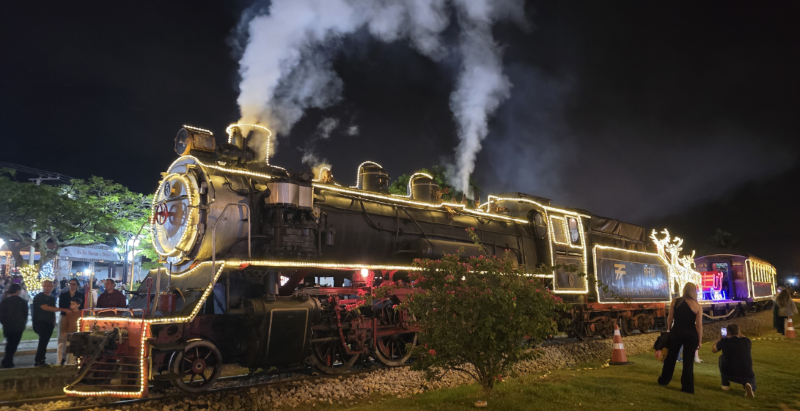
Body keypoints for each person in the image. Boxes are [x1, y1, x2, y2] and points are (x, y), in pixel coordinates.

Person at [658, 282, 704, 394]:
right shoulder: (697, 306)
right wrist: (699, 340)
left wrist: (669, 330)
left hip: (676, 332)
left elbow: (670, 318)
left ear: (684, 290)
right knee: (688, 362)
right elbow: (698, 326)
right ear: (694, 292)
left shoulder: (675, 302)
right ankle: (687, 387)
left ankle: (664, 380)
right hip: (691, 335)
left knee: (671, 358)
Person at [712, 323, 756, 397]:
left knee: (721, 358)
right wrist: (739, 333)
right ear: (739, 331)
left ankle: (725, 384)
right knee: (750, 379)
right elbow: (745, 337)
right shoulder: (747, 341)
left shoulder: (724, 341)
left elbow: (713, 349)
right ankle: (748, 385)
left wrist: (719, 339)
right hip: (746, 374)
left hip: (729, 373)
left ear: (727, 333)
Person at [32, 280, 67, 367]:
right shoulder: (39, 297)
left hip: (49, 323)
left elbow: (52, 310)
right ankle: (39, 360)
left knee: (45, 341)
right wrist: (63, 309)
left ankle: (41, 359)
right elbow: (46, 308)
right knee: (43, 341)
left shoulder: (52, 297)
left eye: (48, 286)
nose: (45, 288)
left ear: (52, 287)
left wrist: (54, 321)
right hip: (40, 322)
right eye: (44, 286)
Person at [0, 284, 28, 368]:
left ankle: (7, 360)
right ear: (17, 291)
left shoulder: (4, 301)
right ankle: (7, 361)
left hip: (8, 326)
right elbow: (25, 314)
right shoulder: (22, 301)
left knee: (10, 343)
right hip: (18, 326)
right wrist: (23, 323)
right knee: (13, 344)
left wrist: (4, 323)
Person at [57, 279, 85, 365]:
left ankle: (75, 359)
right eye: (71, 284)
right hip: (65, 316)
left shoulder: (80, 295)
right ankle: (62, 359)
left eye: (74, 284)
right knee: (64, 341)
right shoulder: (64, 295)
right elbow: (61, 305)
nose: (72, 286)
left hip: (75, 319)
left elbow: (83, 306)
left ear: (77, 285)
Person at [60, 297, 83, 365]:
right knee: (67, 345)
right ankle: (64, 358)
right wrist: (64, 330)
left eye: (73, 304)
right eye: (71, 304)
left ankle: (76, 359)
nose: (71, 305)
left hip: (78, 332)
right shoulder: (69, 313)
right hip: (70, 331)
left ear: (78, 305)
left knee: (77, 345)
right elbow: (65, 322)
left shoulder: (81, 313)